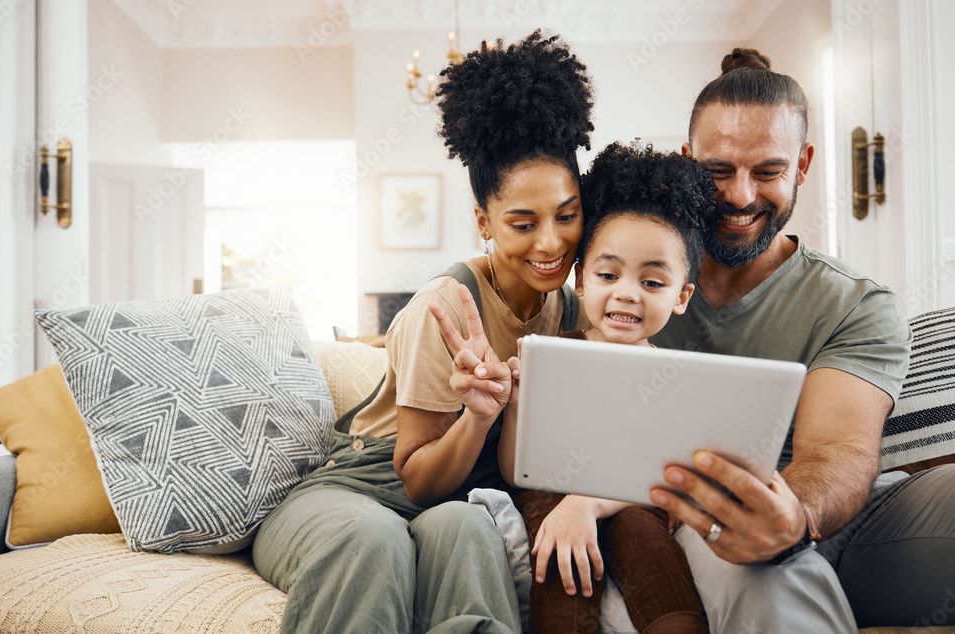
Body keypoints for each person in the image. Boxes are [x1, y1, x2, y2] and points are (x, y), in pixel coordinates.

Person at [252, 30, 595, 634]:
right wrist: (479, 416)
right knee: (374, 538)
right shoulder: (444, 307)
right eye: (522, 223)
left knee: (470, 530)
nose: (551, 242)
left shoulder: (566, 309)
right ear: (484, 221)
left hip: (452, 503)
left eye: (567, 215)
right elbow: (415, 478)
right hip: (359, 493)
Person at [647, 47, 955, 631]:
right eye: (717, 172)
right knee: (756, 560)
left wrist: (792, 513)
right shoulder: (637, 280)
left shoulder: (855, 303)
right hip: (710, 525)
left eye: (768, 172)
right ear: (687, 162)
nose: (740, 196)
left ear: (804, 165)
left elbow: (838, 450)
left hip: (841, 521)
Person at [499, 143, 710, 633]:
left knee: (640, 524)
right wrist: (515, 406)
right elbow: (518, 471)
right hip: (551, 505)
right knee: (555, 539)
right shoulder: (551, 354)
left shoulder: (675, 376)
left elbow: (665, 472)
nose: (626, 293)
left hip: (633, 504)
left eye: (653, 282)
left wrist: (589, 503)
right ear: (580, 280)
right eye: (608, 274)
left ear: (682, 297)